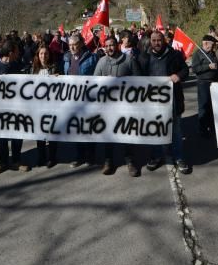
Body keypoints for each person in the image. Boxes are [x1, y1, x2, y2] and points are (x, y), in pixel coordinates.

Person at [138, 30, 191, 174]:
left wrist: (178, 75)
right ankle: (156, 156)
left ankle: (179, 158)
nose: (157, 43)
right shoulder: (144, 57)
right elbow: (138, 76)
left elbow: (185, 70)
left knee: (176, 131)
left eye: (159, 40)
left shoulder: (175, 55)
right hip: (152, 102)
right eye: (154, 40)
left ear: (164, 40)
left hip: (173, 101)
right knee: (155, 130)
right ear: (150, 42)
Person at [94, 36, 141, 176]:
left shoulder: (129, 60)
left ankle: (130, 161)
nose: (109, 48)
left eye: (112, 45)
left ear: (118, 45)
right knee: (109, 134)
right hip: (108, 107)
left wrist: (124, 82)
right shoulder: (101, 62)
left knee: (127, 133)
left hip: (126, 105)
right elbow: (94, 81)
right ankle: (108, 162)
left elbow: (139, 80)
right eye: (107, 46)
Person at [0, 40, 29, 175]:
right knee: (1, 136)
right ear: (11, 53)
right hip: (0, 109)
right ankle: (2, 162)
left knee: (18, 134)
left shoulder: (17, 65)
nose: (18, 53)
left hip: (17, 107)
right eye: (17, 51)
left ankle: (17, 160)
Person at [63, 34, 97, 167]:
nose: (72, 47)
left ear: (81, 44)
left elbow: (97, 77)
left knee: (88, 128)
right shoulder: (66, 59)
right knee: (77, 128)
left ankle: (91, 156)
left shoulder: (92, 58)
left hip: (88, 99)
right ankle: (79, 156)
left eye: (75, 44)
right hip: (73, 100)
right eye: (70, 44)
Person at [31, 45, 60, 168]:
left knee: (52, 132)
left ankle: (52, 158)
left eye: (46, 53)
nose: (43, 56)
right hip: (38, 106)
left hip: (52, 105)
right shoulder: (33, 69)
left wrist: (58, 78)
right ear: (38, 55)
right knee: (40, 133)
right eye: (41, 54)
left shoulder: (55, 67)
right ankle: (41, 157)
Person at [191, 35, 218, 138]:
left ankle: (212, 127)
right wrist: (208, 66)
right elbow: (194, 69)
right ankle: (202, 129)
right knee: (203, 106)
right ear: (206, 43)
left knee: (212, 106)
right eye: (212, 44)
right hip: (203, 83)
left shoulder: (212, 53)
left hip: (213, 82)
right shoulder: (197, 54)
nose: (214, 46)